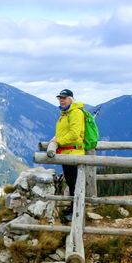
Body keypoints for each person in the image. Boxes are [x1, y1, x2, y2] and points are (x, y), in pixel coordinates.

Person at [50, 89, 85, 220]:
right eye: (60, 98)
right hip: (67, 153)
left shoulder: (75, 113)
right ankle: (72, 208)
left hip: (74, 153)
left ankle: (76, 211)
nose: (61, 100)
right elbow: (64, 131)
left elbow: (74, 134)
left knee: (74, 183)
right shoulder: (65, 113)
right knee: (71, 182)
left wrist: (57, 141)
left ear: (71, 99)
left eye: (64, 98)